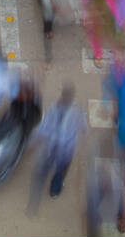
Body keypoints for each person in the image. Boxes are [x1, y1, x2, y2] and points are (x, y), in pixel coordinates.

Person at [27, 83, 86, 212]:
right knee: (62, 168)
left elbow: (43, 127)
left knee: (51, 164)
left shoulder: (53, 108)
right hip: (65, 147)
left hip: (52, 145)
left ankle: (46, 180)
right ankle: (55, 189)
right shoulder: (77, 110)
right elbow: (83, 126)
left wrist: (34, 141)